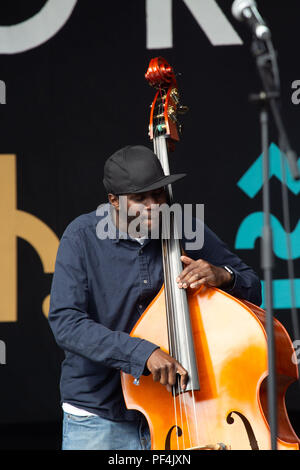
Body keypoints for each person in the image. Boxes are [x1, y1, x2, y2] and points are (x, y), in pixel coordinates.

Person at [48, 145, 262, 450]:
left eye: (160, 195)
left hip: (177, 410)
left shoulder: (186, 229)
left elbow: (254, 288)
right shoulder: (81, 237)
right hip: (99, 415)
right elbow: (67, 323)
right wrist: (142, 353)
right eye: (140, 199)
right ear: (114, 201)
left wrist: (224, 275)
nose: (154, 206)